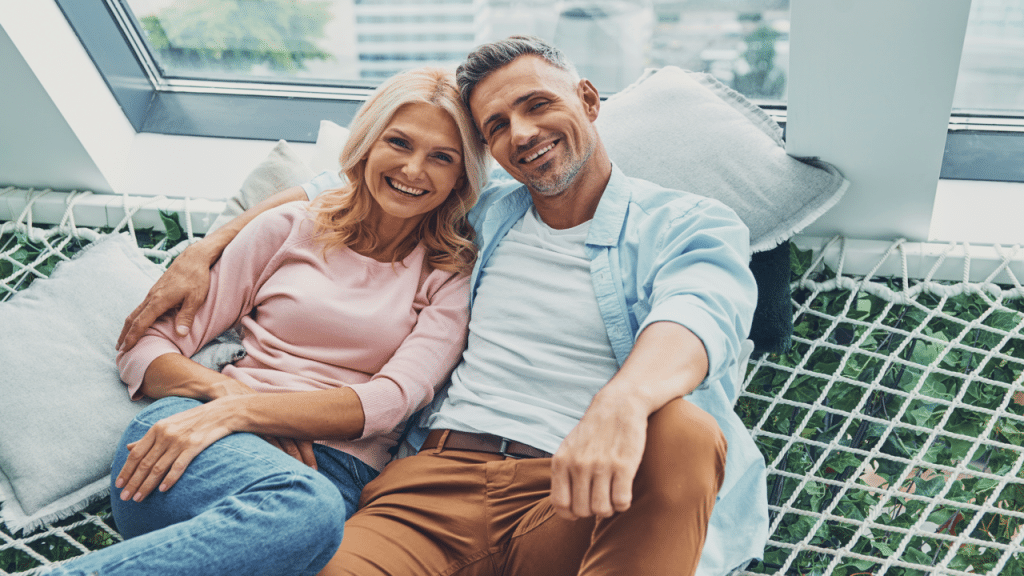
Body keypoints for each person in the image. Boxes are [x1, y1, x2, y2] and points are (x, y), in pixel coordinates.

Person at [119, 36, 770, 576]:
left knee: (682, 432)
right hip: (428, 490)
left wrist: (623, 401)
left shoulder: (687, 224)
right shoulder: (470, 217)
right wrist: (206, 247)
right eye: (497, 126)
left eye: (538, 104)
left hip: (571, 493)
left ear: (589, 100)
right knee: (316, 548)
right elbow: (336, 189)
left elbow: (696, 313)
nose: (523, 133)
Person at [49, 66, 489, 576]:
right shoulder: (289, 228)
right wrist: (226, 399)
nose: (414, 169)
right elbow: (145, 348)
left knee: (309, 514)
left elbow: (389, 402)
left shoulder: (450, 275)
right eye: (399, 142)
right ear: (367, 144)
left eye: (442, 157)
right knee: (309, 512)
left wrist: (254, 412)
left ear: (463, 176)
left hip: (332, 475)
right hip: (188, 445)